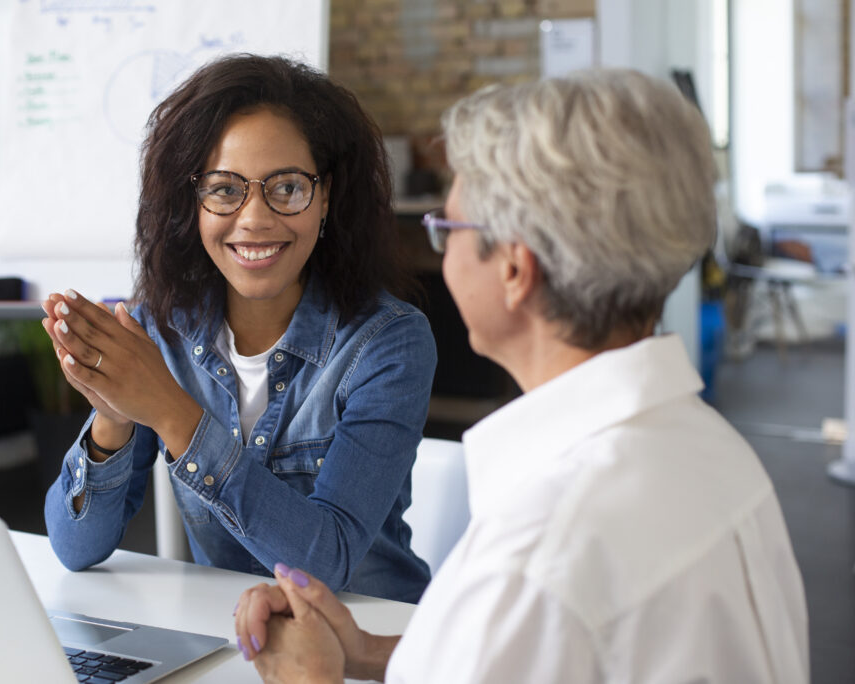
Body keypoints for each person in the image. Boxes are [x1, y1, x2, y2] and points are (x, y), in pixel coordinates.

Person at [233, 69, 810, 681]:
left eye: (447, 228)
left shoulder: (541, 552)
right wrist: (366, 652)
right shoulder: (712, 448)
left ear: (515, 270)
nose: (441, 251)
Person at [41, 54, 436, 604]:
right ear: (192, 203)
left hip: (374, 640)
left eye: (288, 188)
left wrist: (171, 411)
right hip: (230, 641)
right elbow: (74, 547)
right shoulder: (165, 329)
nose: (254, 218)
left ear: (326, 197)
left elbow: (329, 560)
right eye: (225, 189)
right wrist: (113, 415)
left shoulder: (388, 342)